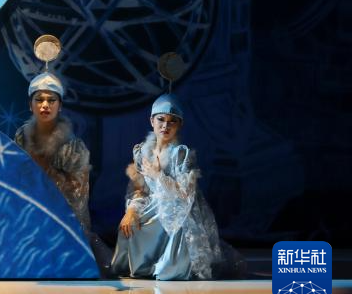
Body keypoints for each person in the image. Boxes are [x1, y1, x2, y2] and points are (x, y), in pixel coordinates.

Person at [111, 94, 237, 280]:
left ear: (179, 125)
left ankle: (166, 264)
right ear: (152, 121)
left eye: (172, 121)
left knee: (174, 234)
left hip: (177, 209)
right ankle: (143, 265)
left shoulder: (181, 154)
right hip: (153, 206)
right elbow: (140, 189)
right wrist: (131, 210)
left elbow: (185, 194)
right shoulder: (142, 151)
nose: (165, 126)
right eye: (161, 119)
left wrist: (159, 176)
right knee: (132, 225)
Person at [14, 71, 112, 274]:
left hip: (62, 215)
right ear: (30, 105)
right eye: (39, 99)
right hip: (30, 210)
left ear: (60, 106)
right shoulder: (21, 137)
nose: (45, 105)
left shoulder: (72, 145)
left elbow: (78, 192)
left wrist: (48, 175)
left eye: (51, 100)